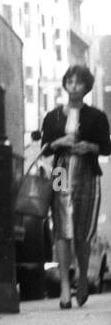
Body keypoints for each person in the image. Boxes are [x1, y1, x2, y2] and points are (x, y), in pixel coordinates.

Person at [39, 65, 109, 308]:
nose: (74, 86)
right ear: (65, 84)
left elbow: (107, 146)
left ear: (86, 87)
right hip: (60, 170)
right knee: (61, 226)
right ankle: (65, 288)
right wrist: (59, 141)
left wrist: (89, 147)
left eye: (79, 83)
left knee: (82, 230)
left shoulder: (97, 116)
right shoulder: (53, 116)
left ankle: (80, 278)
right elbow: (45, 148)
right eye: (70, 81)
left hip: (87, 172)